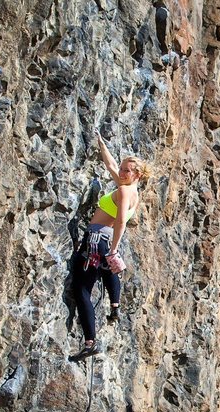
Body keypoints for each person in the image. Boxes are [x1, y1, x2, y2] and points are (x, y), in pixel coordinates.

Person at [71, 130, 151, 359]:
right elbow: (111, 165)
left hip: (97, 239)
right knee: (106, 270)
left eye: (127, 170)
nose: (122, 172)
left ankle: (90, 342)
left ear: (137, 175)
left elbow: (121, 221)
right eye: (123, 169)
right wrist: (101, 144)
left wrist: (114, 249)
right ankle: (115, 305)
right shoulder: (129, 189)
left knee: (82, 289)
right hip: (103, 241)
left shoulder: (125, 190)